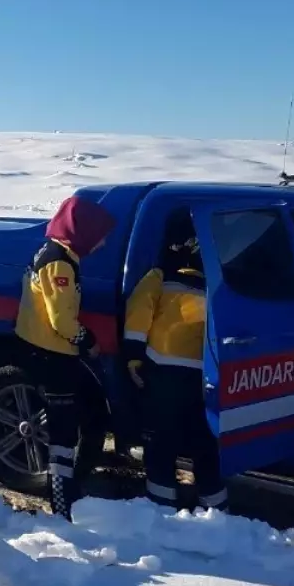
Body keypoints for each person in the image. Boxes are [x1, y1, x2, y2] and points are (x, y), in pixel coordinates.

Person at [14, 195, 117, 522]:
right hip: (52, 355)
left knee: (80, 419)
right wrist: (87, 340)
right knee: (62, 434)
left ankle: (71, 486)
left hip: (42, 349)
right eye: (100, 235)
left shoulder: (52, 251)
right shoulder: (60, 263)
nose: (102, 243)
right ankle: (61, 505)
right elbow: (60, 320)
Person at [123, 210, 226, 510]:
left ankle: (161, 507)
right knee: (205, 445)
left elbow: (137, 318)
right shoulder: (217, 284)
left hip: (163, 373)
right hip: (205, 375)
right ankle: (216, 510)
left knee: (161, 444)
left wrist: (133, 358)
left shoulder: (158, 276)